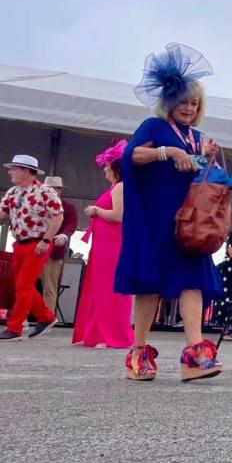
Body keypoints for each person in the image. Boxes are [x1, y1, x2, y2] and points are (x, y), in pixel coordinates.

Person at [114, 43, 223, 382]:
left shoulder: (199, 136)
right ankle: (139, 352)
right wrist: (168, 151)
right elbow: (131, 157)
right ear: (169, 101)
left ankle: (195, 354)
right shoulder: (153, 126)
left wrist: (208, 158)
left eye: (194, 103)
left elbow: (205, 175)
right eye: (183, 101)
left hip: (188, 222)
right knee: (149, 285)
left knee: (193, 283)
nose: (189, 108)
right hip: (154, 219)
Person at [0, 155, 64, 341]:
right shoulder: (13, 192)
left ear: (26, 171)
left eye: (14, 168)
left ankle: (15, 328)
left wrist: (46, 240)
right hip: (20, 243)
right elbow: (0, 213)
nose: (10, 172)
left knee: (23, 285)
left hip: (38, 242)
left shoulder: (46, 191)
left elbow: (58, 217)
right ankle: (46, 317)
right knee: (21, 285)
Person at [72, 141, 133, 348]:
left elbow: (119, 215)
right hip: (103, 244)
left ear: (116, 167)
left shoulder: (121, 188)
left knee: (110, 288)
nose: (105, 168)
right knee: (98, 287)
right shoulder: (115, 187)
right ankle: (95, 333)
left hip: (113, 244)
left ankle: (112, 335)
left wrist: (96, 211)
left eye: (108, 164)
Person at [40, 176, 78, 319]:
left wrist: (64, 235)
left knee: (49, 288)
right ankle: (22, 318)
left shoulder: (68, 207)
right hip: (33, 249)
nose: (49, 192)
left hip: (53, 252)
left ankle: (46, 318)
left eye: (53, 189)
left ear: (59, 191)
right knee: (25, 285)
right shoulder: (36, 205)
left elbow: (71, 225)